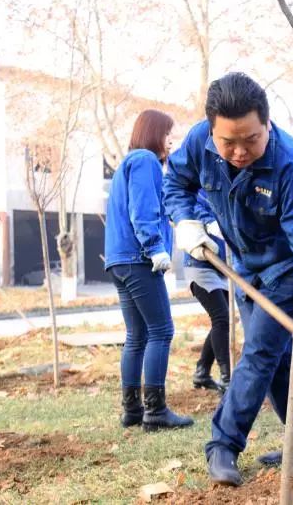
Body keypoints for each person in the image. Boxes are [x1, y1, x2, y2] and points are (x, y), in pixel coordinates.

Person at [163, 72, 293, 486]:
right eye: (229, 142)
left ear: (267, 124)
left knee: (260, 353)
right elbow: (176, 183)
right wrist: (185, 219)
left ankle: (223, 444)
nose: (240, 151)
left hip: (286, 271)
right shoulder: (197, 143)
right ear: (211, 130)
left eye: (251, 139)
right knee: (275, 360)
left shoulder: (291, 166)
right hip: (243, 267)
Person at [104, 109, 194, 432]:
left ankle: (132, 410)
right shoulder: (144, 161)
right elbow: (142, 209)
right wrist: (155, 247)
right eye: (169, 133)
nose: (171, 140)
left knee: (137, 335)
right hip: (138, 258)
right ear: (155, 132)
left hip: (119, 260)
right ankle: (155, 412)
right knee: (162, 330)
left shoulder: (126, 164)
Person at [185, 189, 231, 392]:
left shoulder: (226, 190)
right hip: (200, 264)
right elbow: (191, 209)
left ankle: (202, 372)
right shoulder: (198, 191)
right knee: (221, 318)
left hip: (223, 267)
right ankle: (227, 377)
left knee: (222, 321)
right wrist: (209, 221)